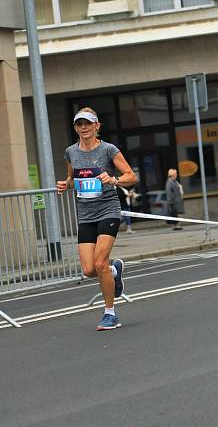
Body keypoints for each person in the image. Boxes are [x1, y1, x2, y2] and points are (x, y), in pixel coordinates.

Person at [56, 107, 137, 331]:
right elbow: (72, 178)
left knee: (100, 262)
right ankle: (114, 272)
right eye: (79, 124)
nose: (84, 128)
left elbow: (132, 176)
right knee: (89, 270)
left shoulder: (109, 150)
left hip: (108, 211)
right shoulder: (71, 152)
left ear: (97, 126)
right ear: (75, 128)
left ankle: (110, 314)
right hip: (85, 214)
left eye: (88, 123)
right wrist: (66, 184)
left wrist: (113, 179)